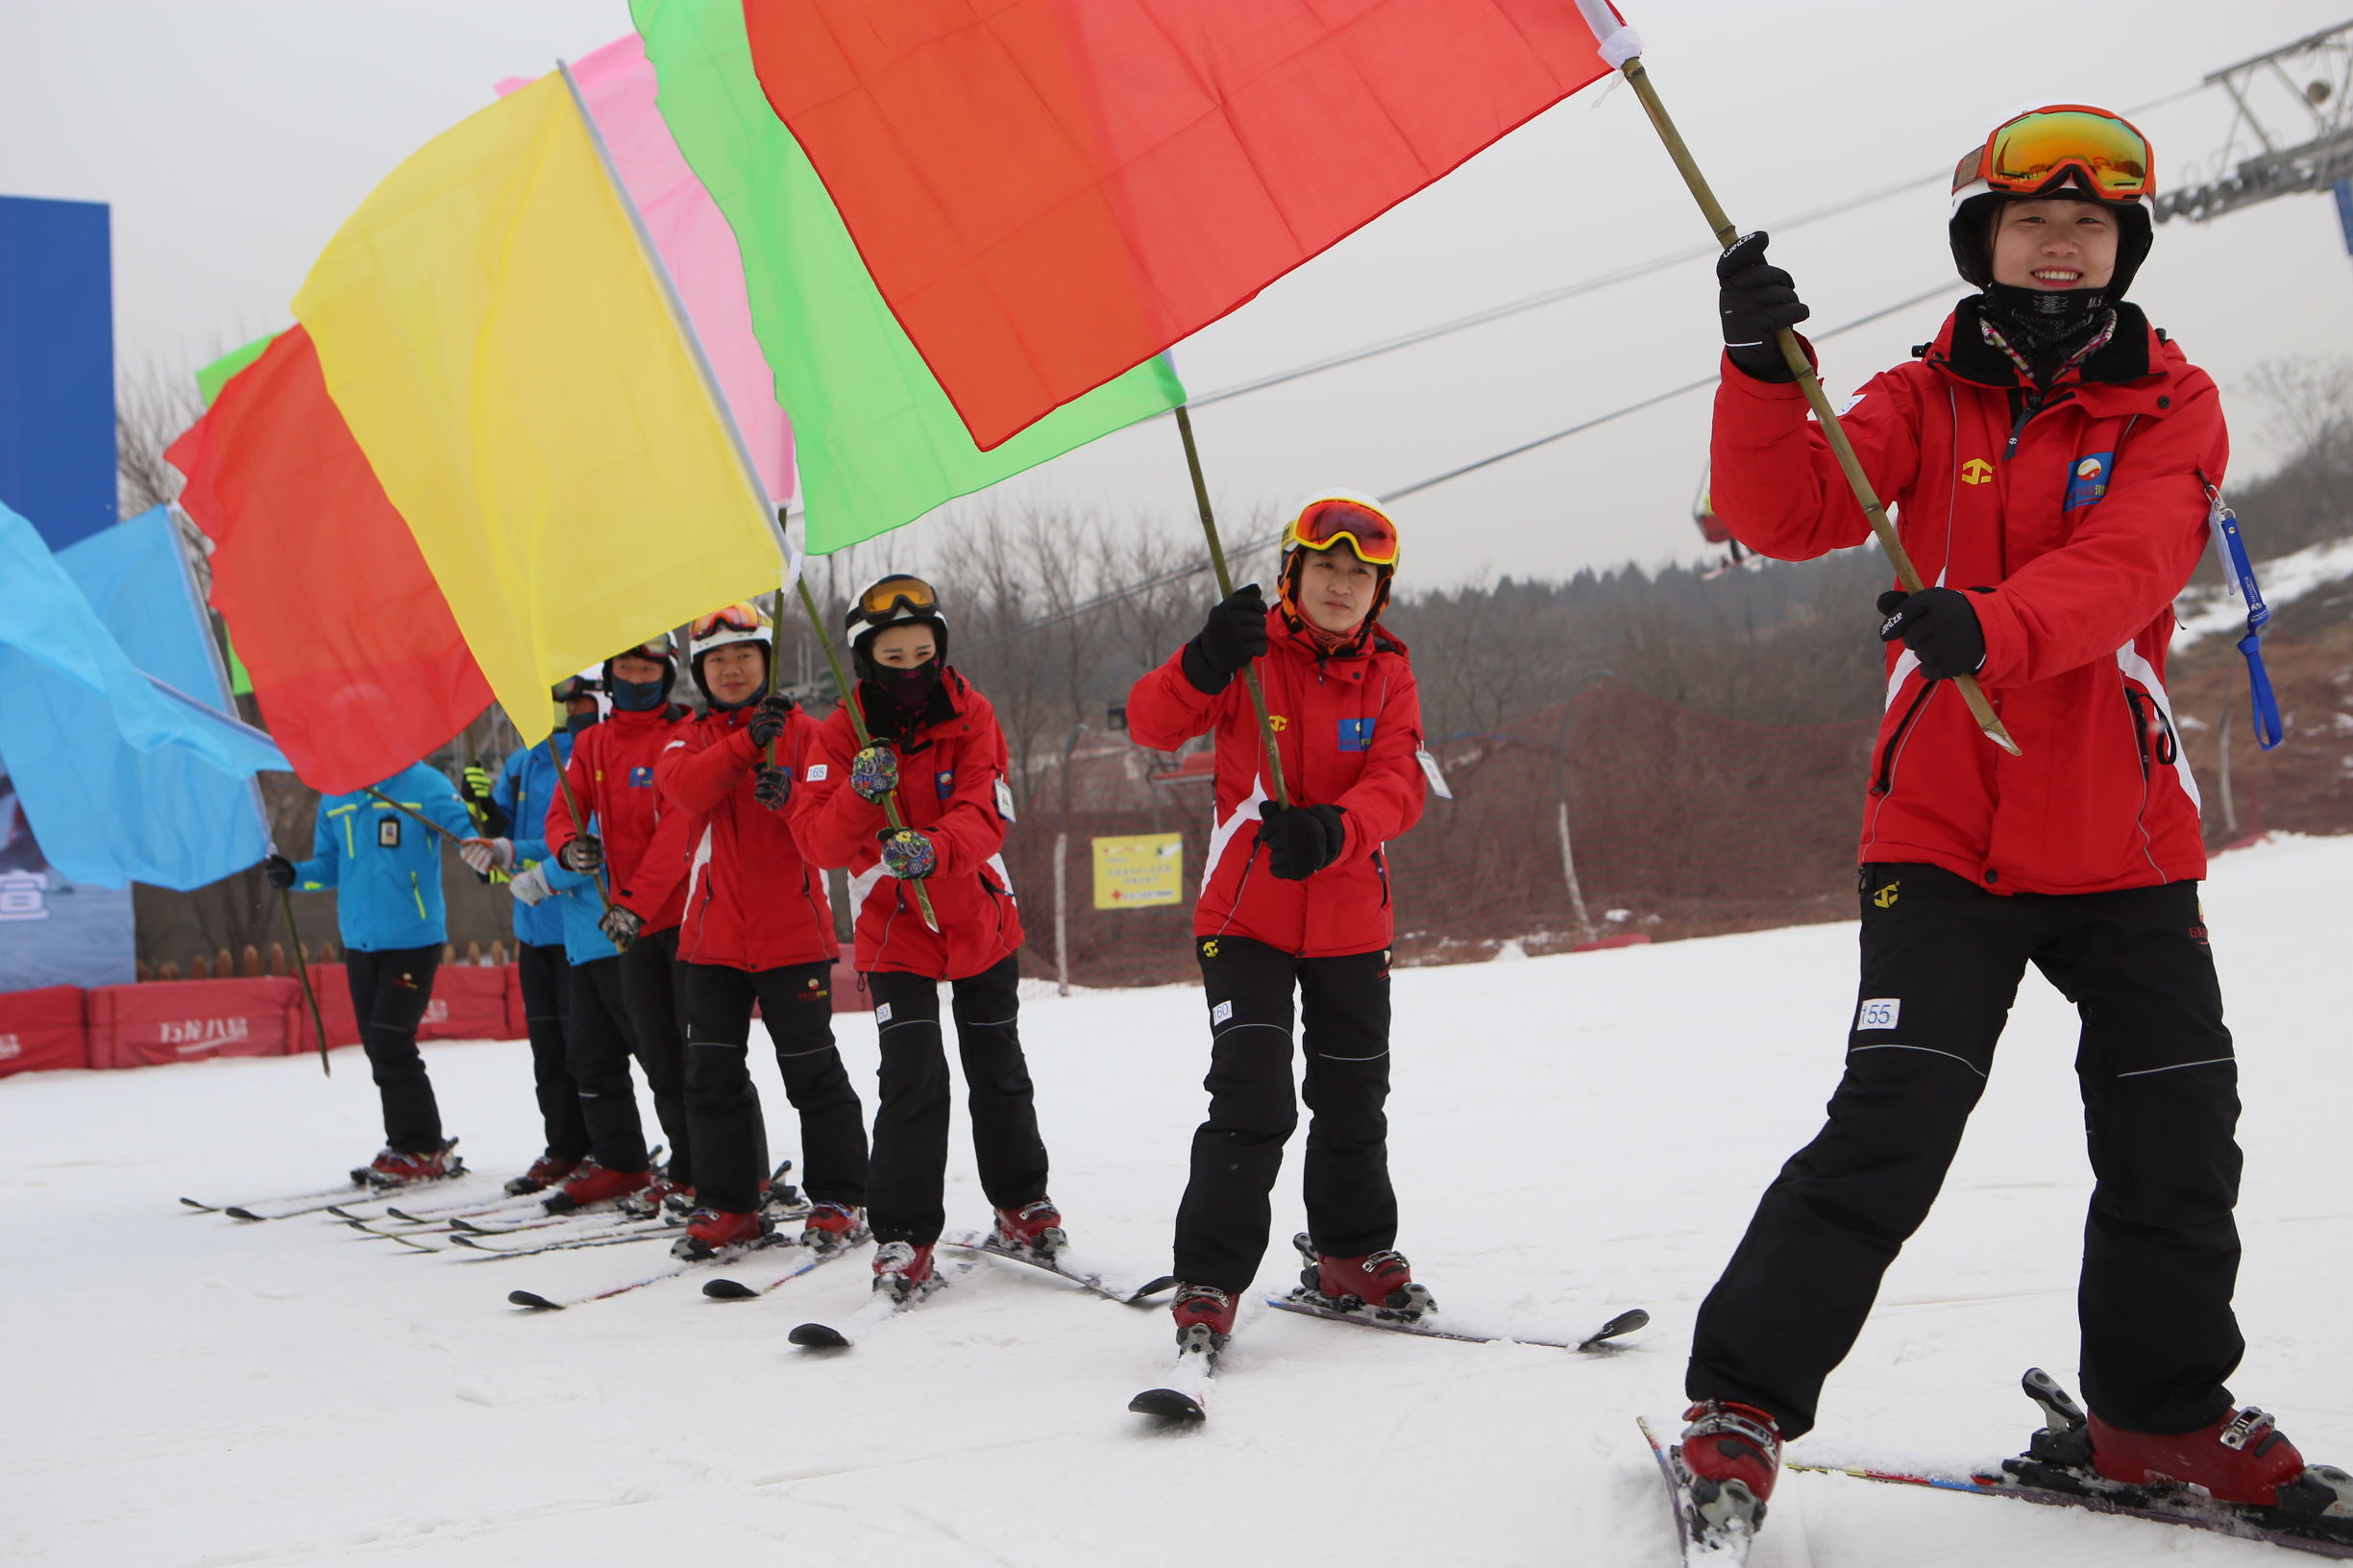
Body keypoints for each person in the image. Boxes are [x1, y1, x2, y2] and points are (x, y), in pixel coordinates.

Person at [1678, 103, 2344, 1531]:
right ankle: (1738, 1402)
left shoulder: (2176, 404)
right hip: (1944, 833)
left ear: (2122, 249)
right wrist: (1755, 373)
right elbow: (1785, 510)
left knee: (2179, 1141)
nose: (2060, 243)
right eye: (2032, 221)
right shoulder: (1923, 398)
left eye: (2088, 224)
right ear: (1985, 242)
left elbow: (2130, 563)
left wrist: (1987, 620)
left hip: (2123, 838)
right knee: (1894, 1122)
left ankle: (2156, 1416)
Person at [1125, 492, 1429, 1360]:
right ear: (1292, 574)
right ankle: (1209, 1281)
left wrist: (1334, 830)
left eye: (1361, 575)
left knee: (1351, 1096)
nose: (1342, 585)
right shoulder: (1249, 658)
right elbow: (1153, 724)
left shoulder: (1391, 672)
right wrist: (1207, 658)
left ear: (1380, 593)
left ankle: (1349, 1254)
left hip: (1350, 921)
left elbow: (1398, 781)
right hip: (1244, 919)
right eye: (1326, 567)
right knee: (1252, 1100)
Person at [795, 576, 1059, 1304]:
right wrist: (857, 788)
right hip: (894, 931)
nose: (911, 668)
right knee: (912, 1081)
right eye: (894, 654)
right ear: (865, 659)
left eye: (923, 651)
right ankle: (904, 1234)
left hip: (975, 916)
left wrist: (935, 849)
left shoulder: (973, 712)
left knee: (997, 1066)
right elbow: (817, 840)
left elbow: (987, 809)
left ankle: (1021, 1202)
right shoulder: (838, 731)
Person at [656, 603, 870, 1261]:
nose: (730, 669)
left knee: (812, 1075)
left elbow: (837, 814)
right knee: (710, 1078)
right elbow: (687, 792)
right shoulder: (686, 738)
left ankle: (839, 1197)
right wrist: (747, 742)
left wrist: (793, 800)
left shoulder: (810, 732)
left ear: (765, 663)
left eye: (743, 657)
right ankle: (729, 1205)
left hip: (791, 937)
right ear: (699, 672)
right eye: (716, 660)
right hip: (710, 941)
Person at [542, 639, 702, 1213]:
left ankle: (736, 1170)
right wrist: (568, 848)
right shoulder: (594, 742)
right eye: (626, 668)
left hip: (685, 918)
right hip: (629, 924)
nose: (637, 677)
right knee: (658, 1055)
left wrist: (635, 903)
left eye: (648, 667)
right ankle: (686, 1166)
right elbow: (564, 809)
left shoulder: (683, 738)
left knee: (702, 1053)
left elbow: (678, 835)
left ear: (667, 674)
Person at [265, 760, 475, 1185]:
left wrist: (480, 832)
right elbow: (329, 867)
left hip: (413, 938)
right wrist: (294, 875)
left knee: (390, 1040)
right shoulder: (337, 793)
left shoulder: (424, 783)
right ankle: (407, 1145)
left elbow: (468, 837)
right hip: (360, 941)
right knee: (378, 1046)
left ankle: (420, 1148)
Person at [459, 674, 600, 1196]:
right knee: (549, 1049)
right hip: (533, 930)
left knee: (590, 1051)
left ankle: (608, 1149)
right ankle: (564, 1146)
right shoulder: (521, 763)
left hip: (577, 926)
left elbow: (565, 842)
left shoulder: (584, 753)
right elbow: (496, 862)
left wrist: (511, 848)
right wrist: (484, 818)